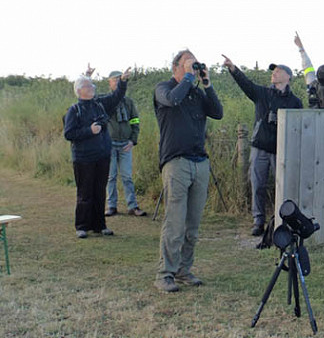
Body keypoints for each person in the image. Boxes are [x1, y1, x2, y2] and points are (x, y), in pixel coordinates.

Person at [153, 50, 223, 293]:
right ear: (176, 67)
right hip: (177, 162)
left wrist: (207, 83)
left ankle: (184, 269)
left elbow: (217, 112)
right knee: (175, 221)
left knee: (192, 223)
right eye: (189, 63)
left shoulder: (196, 92)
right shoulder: (163, 88)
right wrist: (187, 79)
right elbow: (172, 100)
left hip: (199, 162)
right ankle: (165, 274)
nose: (194, 67)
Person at [222, 54, 303, 236]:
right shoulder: (262, 93)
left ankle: (284, 221)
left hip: (281, 150)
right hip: (260, 148)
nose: (274, 73)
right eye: (273, 71)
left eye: (278, 71)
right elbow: (246, 84)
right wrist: (232, 68)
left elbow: (299, 127)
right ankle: (258, 221)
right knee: (257, 185)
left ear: (288, 77)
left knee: (283, 187)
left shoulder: (295, 102)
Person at [64, 66, 131, 239]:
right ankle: (82, 226)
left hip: (102, 155)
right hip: (83, 158)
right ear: (80, 91)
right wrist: (89, 130)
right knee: (85, 193)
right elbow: (69, 134)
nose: (93, 88)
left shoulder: (100, 104)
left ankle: (100, 225)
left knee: (100, 191)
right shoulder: (74, 110)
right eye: (89, 86)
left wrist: (122, 82)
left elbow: (117, 96)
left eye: (93, 86)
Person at [102, 70, 146, 217]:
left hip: (125, 144)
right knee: (111, 177)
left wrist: (133, 140)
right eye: (114, 80)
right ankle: (111, 206)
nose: (116, 82)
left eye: (119, 80)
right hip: (110, 144)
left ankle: (132, 206)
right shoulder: (106, 100)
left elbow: (135, 121)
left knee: (127, 176)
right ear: (109, 82)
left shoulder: (129, 102)